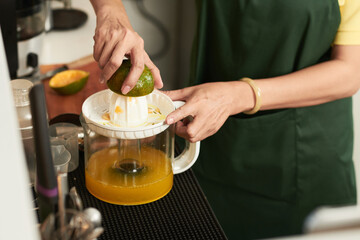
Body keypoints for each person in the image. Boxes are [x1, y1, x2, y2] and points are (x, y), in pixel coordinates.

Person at [90, 0, 360, 239]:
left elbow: (350, 71)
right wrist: (111, 11)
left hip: (304, 156)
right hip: (214, 141)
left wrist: (239, 95)